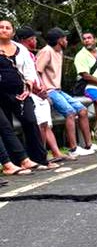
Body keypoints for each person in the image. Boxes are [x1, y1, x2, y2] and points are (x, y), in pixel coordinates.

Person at [36, 28, 97, 156]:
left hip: (58, 90)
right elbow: (37, 71)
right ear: (59, 40)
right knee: (70, 112)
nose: (66, 40)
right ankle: (73, 149)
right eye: (65, 38)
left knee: (83, 110)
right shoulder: (46, 51)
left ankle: (89, 145)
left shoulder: (59, 52)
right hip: (49, 90)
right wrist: (43, 90)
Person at [16, 27, 74, 162]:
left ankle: (55, 152)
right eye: (33, 38)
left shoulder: (30, 54)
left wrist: (42, 87)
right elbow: (26, 75)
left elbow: (36, 74)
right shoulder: (19, 53)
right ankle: (41, 157)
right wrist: (38, 89)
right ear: (26, 40)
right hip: (32, 92)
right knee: (40, 125)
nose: (35, 41)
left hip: (41, 91)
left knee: (46, 124)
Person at [0, 20, 49, 173]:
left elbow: (29, 70)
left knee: (30, 121)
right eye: (1, 27)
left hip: (21, 92)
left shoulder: (20, 49)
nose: (4, 30)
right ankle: (16, 161)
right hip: (1, 94)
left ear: (13, 32)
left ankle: (39, 159)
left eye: (7, 28)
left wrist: (29, 85)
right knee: (6, 126)